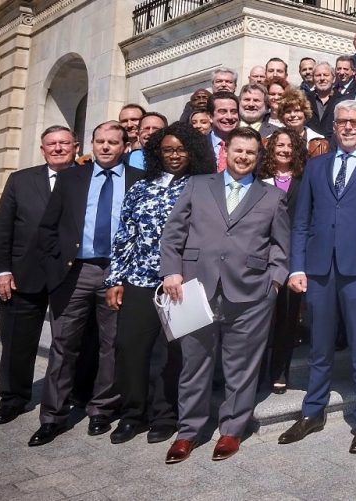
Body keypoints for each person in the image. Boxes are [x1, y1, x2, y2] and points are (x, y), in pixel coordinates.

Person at [159, 126, 290, 463]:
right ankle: (188, 432)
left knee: (242, 366)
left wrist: (274, 283)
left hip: (251, 295)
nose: (243, 157)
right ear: (225, 152)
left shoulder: (272, 195)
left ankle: (232, 429)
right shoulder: (198, 185)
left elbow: (281, 245)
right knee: (194, 365)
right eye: (238, 151)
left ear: (258, 156)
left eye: (250, 152)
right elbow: (173, 232)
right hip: (195, 289)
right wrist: (172, 271)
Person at [280, 100, 356, 454]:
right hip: (318, 270)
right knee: (319, 345)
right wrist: (297, 266)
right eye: (342, 121)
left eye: (355, 122)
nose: (348, 127)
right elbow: (301, 221)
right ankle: (312, 412)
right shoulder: (316, 167)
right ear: (333, 126)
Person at [28, 121, 146, 447]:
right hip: (75, 272)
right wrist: (57, 264)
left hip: (117, 275)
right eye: (100, 141)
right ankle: (52, 417)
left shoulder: (139, 180)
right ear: (91, 144)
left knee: (112, 345)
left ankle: (101, 410)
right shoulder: (71, 178)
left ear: (125, 146)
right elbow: (48, 227)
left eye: (113, 142)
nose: (106, 147)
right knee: (64, 346)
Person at [104, 122, 214, 445]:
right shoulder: (141, 186)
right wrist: (116, 278)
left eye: (180, 149)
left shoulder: (203, 187)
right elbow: (125, 234)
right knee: (130, 347)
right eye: (167, 149)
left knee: (172, 355)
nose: (174, 155)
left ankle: (164, 416)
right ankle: (132, 414)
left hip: (181, 282)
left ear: (192, 151)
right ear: (157, 152)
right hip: (139, 278)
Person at [0, 125, 77, 426]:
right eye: (52, 143)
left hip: (72, 275)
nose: (59, 148)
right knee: (17, 342)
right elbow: (2, 228)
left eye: (64, 143)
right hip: (24, 275)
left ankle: (75, 393)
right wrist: (0, 269)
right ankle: (13, 399)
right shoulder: (21, 180)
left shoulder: (88, 179)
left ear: (75, 146)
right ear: (42, 149)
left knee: (75, 342)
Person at [258, 128, 308, 395]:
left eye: (290, 145)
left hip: (293, 257)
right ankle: (254, 372)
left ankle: (279, 370)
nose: (285, 149)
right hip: (260, 256)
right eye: (279, 144)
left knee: (287, 318)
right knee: (259, 319)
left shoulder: (304, 179)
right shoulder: (259, 179)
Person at [207, 91, 240, 173]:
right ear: (210, 117)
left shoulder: (250, 144)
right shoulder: (197, 145)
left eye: (233, 111)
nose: (229, 117)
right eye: (222, 111)